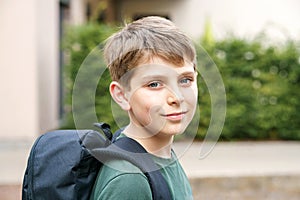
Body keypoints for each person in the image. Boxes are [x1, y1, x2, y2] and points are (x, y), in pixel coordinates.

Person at [90, 16, 198, 200]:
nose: (177, 97)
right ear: (122, 95)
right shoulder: (129, 180)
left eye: (185, 80)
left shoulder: (162, 155)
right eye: (155, 84)